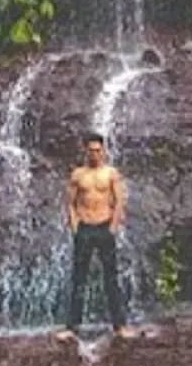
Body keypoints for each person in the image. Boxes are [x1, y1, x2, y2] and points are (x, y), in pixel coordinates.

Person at [54, 132, 136, 341]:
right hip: (84, 229)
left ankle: (119, 326)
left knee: (111, 279)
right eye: (91, 150)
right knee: (79, 279)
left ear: (104, 151)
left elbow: (119, 201)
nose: (95, 154)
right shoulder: (78, 174)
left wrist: (113, 227)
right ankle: (72, 327)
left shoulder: (111, 173)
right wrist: (74, 227)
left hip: (105, 227)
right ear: (85, 151)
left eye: (98, 150)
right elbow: (70, 203)